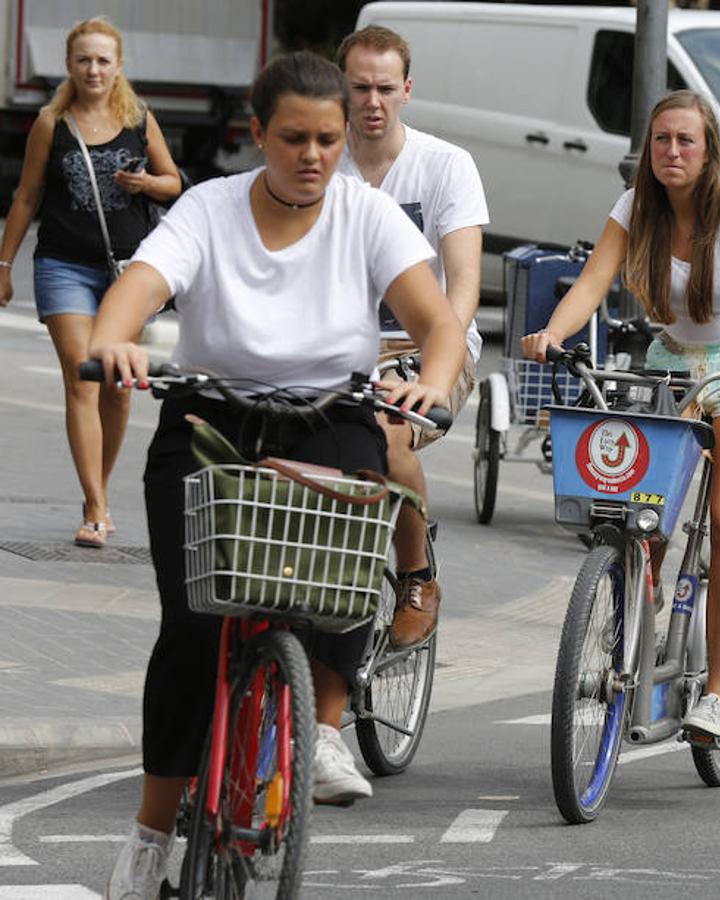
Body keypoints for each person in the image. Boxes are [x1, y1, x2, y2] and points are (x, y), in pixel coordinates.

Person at [91, 52, 466, 899]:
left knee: (337, 577)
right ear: (256, 133)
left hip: (329, 413)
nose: (313, 155)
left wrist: (432, 380)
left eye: (329, 139)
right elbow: (142, 286)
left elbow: (435, 323)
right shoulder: (207, 208)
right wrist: (114, 339)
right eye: (293, 137)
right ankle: (151, 834)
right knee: (191, 628)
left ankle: (321, 730)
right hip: (208, 414)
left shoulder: (368, 216)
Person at [522, 90, 720, 746]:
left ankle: (718, 698)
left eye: (686, 141)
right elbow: (590, 284)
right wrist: (551, 334)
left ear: (707, 153)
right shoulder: (634, 208)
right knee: (637, 523)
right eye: (662, 140)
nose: (672, 152)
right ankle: (632, 652)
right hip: (667, 367)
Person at [0, 16, 181, 549]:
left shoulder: (139, 119)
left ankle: (94, 490)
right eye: (84, 60)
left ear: (118, 65)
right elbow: (27, 197)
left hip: (127, 274)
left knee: (118, 389)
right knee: (83, 378)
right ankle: (98, 509)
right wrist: (5, 266)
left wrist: (148, 182)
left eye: (103, 60)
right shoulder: (50, 124)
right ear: (69, 66)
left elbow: (175, 182)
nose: (94, 69)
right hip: (63, 266)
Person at [336, 24, 489, 649]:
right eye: (360, 88)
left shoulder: (445, 165)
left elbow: (464, 284)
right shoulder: (323, 158)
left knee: (385, 427)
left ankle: (415, 573)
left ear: (406, 90)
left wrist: (433, 371)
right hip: (339, 347)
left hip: (425, 345)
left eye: (384, 88)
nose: (372, 101)